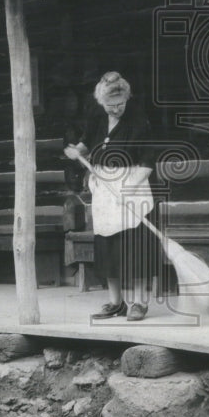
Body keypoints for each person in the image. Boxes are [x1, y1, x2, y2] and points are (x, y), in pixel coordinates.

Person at [64, 71, 159, 321]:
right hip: (104, 188)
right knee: (108, 246)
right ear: (101, 103)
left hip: (132, 185)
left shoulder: (138, 119)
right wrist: (76, 151)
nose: (116, 109)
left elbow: (148, 160)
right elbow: (87, 144)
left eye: (120, 104)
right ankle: (116, 302)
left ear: (126, 98)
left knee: (135, 245)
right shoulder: (97, 115)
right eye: (110, 106)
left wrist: (128, 188)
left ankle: (139, 302)